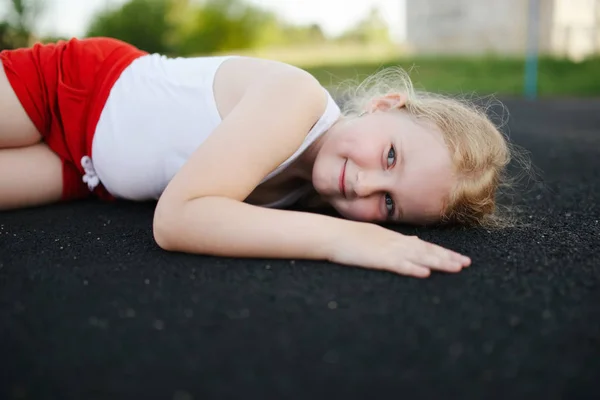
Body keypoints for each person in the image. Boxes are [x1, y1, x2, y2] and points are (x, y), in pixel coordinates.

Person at [0, 37, 516, 278]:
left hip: (87, 171)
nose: (363, 186)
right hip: (71, 88)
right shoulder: (298, 98)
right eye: (389, 156)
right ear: (384, 104)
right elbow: (178, 219)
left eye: (387, 207)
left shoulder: (307, 195)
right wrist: (350, 236)